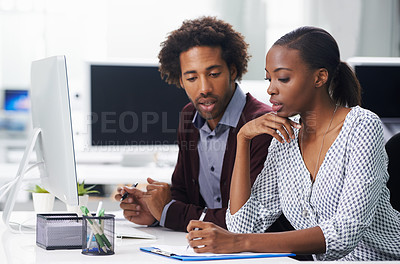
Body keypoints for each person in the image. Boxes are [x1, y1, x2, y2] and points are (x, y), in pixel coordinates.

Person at [186, 26, 400, 261]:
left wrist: (240, 242)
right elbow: (243, 226)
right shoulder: (284, 138)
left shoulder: (361, 126)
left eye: (283, 78)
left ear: (319, 77)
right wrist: (243, 138)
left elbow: (343, 234)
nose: (271, 89)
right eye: (269, 78)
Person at [114, 17, 293, 233]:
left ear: (233, 71)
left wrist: (168, 212)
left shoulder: (262, 127)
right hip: (208, 247)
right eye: (192, 78)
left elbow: (247, 220)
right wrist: (153, 212)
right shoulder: (189, 116)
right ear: (180, 81)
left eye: (214, 74)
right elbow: (184, 194)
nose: (204, 88)